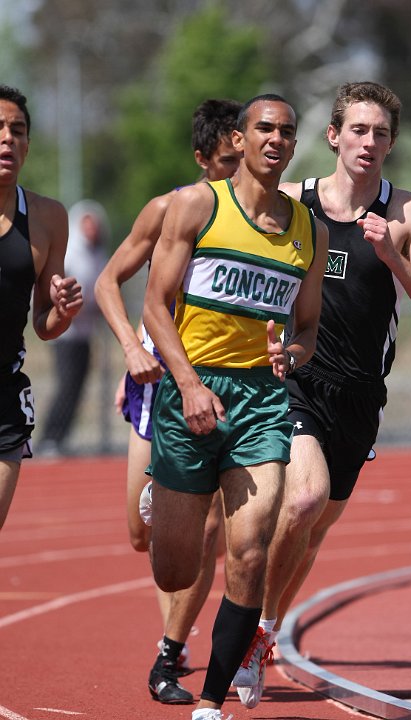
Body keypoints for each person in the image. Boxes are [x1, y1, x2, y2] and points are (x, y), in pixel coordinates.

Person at [232, 81, 411, 709]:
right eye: (358, 130)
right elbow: (242, 260)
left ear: (391, 145)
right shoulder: (295, 202)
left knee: (313, 530)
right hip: (294, 378)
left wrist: (393, 256)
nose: (369, 142)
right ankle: (247, 627)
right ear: (333, 136)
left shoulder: (410, 213)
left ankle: (264, 630)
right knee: (304, 499)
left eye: (381, 134)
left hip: (360, 396)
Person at [142, 93, 328, 720]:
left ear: (295, 146)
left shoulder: (309, 229)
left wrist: (292, 359)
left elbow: (307, 329)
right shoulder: (198, 204)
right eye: (264, 129)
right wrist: (190, 385)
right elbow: (154, 305)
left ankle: (212, 702)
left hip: (260, 401)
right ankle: (161, 496)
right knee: (174, 569)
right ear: (241, 140)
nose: (276, 140)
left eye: (287, 132)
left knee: (249, 551)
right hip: (191, 392)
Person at [95, 99, 242, 704]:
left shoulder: (266, 219)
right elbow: (108, 281)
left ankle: (171, 648)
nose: (241, 174)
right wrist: (132, 349)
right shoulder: (169, 210)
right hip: (152, 387)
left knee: (206, 530)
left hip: (209, 389)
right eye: (229, 162)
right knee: (141, 534)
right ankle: (174, 628)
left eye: (247, 160)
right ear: (203, 158)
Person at [0, 84, 83, 530]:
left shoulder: (48, 217)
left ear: (28, 145)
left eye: (17, 130)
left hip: (4, 393)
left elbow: (44, 325)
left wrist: (62, 312)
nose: (7, 138)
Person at [38, 199, 109, 456]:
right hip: (65, 334)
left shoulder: (99, 254)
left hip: (86, 331)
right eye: (86, 224)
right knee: (66, 383)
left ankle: (61, 438)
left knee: (78, 386)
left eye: (95, 224)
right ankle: (49, 437)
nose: (91, 230)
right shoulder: (71, 254)